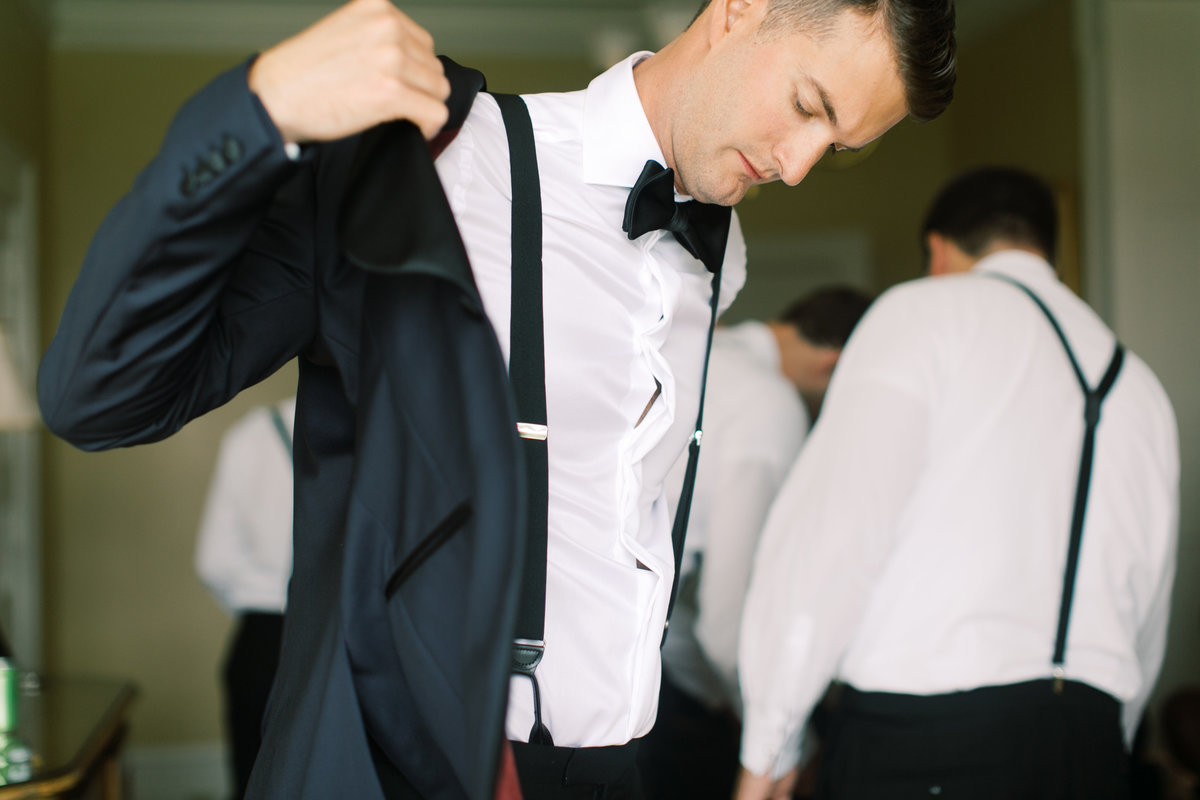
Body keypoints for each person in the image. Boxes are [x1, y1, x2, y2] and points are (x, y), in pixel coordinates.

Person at [35, 0, 957, 797]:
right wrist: (258, 110)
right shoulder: (436, 168)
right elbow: (101, 393)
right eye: (807, 106)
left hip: (623, 769)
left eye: (833, 148)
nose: (797, 166)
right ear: (740, 9)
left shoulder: (722, 260)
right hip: (419, 772)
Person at [734, 166, 1180, 800]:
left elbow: (831, 537)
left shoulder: (922, 315)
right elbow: (1148, 606)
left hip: (922, 743)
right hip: (1089, 745)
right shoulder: (1140, 388)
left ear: (938, 250)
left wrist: (768, 746)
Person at [639, 286, 872, 799]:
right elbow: (728, 625)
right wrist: (786, 746)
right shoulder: (768, 405)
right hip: (672, 712)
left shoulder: (696, 350)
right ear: (833, 367)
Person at [194, 397, 296, 800]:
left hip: (262, 640)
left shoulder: (251, 435)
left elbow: (213, 561)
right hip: (350, 637)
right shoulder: (387, 423)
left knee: (254, 782)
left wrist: (260, 599)